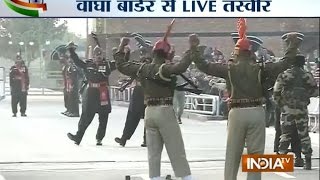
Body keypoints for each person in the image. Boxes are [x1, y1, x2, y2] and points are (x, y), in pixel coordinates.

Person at [192, 18, 300, 180]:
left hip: (236, 112)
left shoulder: (228, 69)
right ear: (251, 51)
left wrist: (194, 49)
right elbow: (284, 64)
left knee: (233, 152)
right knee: (256, 154)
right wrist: (292, 45)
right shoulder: (260, 68)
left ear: (236, 52)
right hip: (256, 111)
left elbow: (204, 66)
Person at [113, 20, 195, 180]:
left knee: (153, 152)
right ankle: (186, 177)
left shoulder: (142, 68)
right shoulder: (164, 68)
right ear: (167, 54)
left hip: (149, 112)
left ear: (153, 53)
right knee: (176, 149)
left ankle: (155, 177)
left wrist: (121, 47)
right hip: (164, 111)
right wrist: (191, 50)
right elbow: (180, 68)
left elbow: (122, 66)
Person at [274, 51, 319, 170]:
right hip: (301, 110)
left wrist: (281, 104)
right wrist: (305, 96)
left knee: (285, 134)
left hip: (287, 109)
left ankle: (281, 160)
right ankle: (307, 161)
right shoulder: (307, 75)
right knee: (304, 135)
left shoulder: (284, 75)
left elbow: (276, 92)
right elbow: (315, 91)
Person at [67, 42, 116, 146]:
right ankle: (78, 137)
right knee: (86, 116)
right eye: (96, 55)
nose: (98, 57)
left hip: (103, 93)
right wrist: (71, 50)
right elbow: (77, 62)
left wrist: (121, 53)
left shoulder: (107, 65)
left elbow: (119, 64)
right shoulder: (88, 64)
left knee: (103, 117)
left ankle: (99, 138)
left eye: (100, 55)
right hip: (91, 93)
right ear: (93, 56)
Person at [115, 33, 152, 148]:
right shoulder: (138, 65)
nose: (143, 55)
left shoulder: (154, 65)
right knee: (132, 115)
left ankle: (147, 140)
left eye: (145, 52)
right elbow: (123, 66)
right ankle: (124, 138)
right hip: (139, 91)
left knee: (149, 117)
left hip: (150, 92)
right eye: (141, 53)